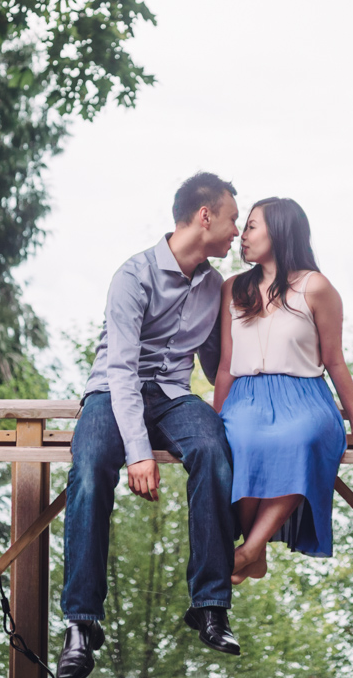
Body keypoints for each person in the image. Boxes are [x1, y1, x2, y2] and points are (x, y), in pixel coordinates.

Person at [57, 172, 243, 678]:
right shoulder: (133, 275)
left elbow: (215, 360)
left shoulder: (215, 287)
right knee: (91, 468)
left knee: (213, 448)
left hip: (173, 398)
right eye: (232, 219)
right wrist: (138, 452)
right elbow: (120, 370)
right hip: (112, 394)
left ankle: (210, 605)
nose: (236, 231)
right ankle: (80, 624)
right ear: (205, 216)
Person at [213, 197, 353, 584]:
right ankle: (253, 553)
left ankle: (250, 551)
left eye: (252, 226)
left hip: (305, 397)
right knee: (237, 439)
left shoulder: (317, 287)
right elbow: (225, 365)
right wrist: (216, 419)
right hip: (246, 396)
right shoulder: (232, 289)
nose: (242, 235)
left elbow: (335, 361)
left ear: (279, 231)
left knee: (300, 438)